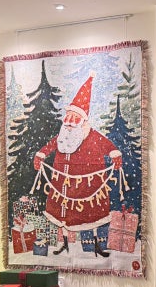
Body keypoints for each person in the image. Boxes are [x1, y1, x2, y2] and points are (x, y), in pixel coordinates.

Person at [34, 75, 122, 256]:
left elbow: (109, 146)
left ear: (82, 119)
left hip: (88, 186)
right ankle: (65, 243)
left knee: (93, 214)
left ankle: (97, 244)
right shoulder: (62, 135)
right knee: (63, 213)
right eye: (69, 116)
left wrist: (115, 155)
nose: (70, 120)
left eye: (75, 117)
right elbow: (51, 145)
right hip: (62, 184)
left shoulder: (92, 135)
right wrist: (41, 154)